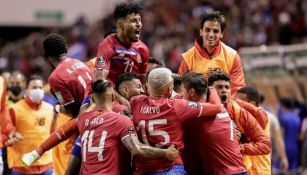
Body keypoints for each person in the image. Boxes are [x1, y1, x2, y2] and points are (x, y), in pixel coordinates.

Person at [73, 79, 178, 175]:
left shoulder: (82, 119)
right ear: (113, 97)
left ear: (93, 99)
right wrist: (165, 153)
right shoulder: (120, 120)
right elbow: (136, 149)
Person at [130, 67, 224, 174]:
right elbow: (216, 107)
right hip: (170, 168)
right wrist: (211, 87)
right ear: (170, 89)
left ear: (146, 86)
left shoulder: (136, 102)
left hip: (144, 169)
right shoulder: (177, 105)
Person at [65, 72, 144, 175]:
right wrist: (165, 153)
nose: (142, 91)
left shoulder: (84, 118)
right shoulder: (122, 114)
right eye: (138, 87)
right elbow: (136, 148)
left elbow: (77, 145)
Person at [181, 72, 247, 175]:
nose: (181, 95)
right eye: (219, 87)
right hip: (241, 170)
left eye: (182, 91)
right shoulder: (222, 108)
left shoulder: (194, 114)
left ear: (192, 92)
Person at [207, 71, 271, 170]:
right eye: (219, 87)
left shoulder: (239, 112)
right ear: (209, 90)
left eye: (227, 87)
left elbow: (265, 145)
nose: (224, 90)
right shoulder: (200, 110)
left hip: (240, 167)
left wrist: (240, 147)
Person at [94, 3, 149, 105]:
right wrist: (120, 100)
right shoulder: (107, 45)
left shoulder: (143, 49)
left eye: (139, 20)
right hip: (107, 94)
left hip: (129, 95)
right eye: (133, 21)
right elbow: (99, 79)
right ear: (120, 25)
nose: (139, 24)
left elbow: (143, 83)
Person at [178, 11, 245, 95]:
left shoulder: (233, 56)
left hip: (224, 107)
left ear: (222, 34)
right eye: (207, 30)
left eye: (216, 31)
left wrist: (223, 107)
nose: (211, 35)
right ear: (201, 32)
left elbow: (237, 89)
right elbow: (181, 90)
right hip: (197, 107)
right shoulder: (188, 58)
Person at [7, 75, 54, 175]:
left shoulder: (50, 109)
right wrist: (10, 138)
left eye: (40, 88)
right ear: (26, 89)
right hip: (22, 166)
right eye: (34, 88)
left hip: (47, 165)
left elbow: (53, 134)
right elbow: (5, 134)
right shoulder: (14, 109)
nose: (37, 90)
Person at [236, 87, 271, 175]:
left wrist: (232, 100)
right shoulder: (244, 118)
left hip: (259, 170)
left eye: (241, 102)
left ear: (252, 104)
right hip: (248, 168)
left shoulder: (261, 114)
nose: (237, 106)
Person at [259, 94, 288, 173]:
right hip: (268, 155)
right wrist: (283, 157)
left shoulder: (247, 115)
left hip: (252, 156)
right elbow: (278, 139)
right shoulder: (271, 117)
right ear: (264, 101)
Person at [278, 97, 301, 174]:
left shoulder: (283, 118)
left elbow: (281, 134)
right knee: (293, 170)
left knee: (282, 170)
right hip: (295, 146)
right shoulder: (297, 117)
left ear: (283, 106)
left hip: (285, 146)